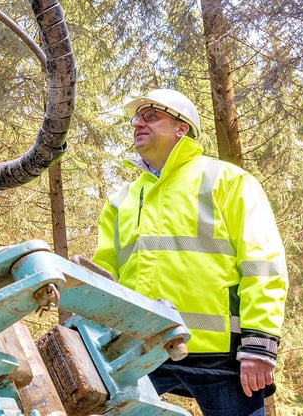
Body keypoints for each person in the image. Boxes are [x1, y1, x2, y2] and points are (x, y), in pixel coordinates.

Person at [91, 88, 288, 416]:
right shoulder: (121, 199)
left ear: (182, 129)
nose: (138, 123)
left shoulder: (227, 180)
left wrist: (259, 345)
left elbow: (263, 263)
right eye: (136, 118)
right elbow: (104, 274)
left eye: (151, 115)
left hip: (220, 355)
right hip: (141, 350)